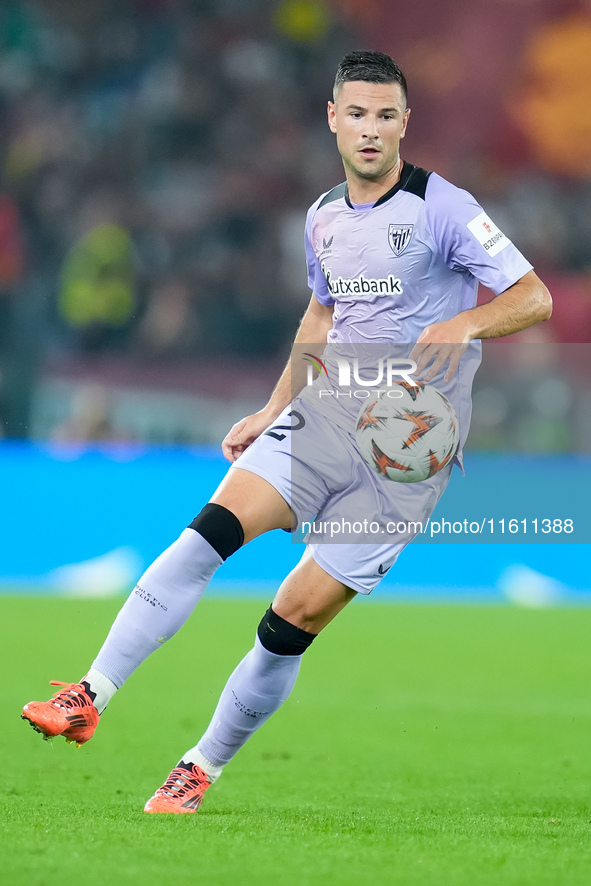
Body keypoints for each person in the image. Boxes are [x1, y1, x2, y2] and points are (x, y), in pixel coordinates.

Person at [22, 51, 552, 814]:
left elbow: (530, 295)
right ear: (333, 118)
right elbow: (321, 314)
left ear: (405, 123)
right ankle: (89, 693)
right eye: (357, 113)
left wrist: (465, 320)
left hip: (408, 452)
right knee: (206, 532)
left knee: (290, 620)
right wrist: (275, 406)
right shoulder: (322, 217)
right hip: (330, 411)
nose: (370, 129)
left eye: (385, 115)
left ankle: (199, 766)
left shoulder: (442, 206)